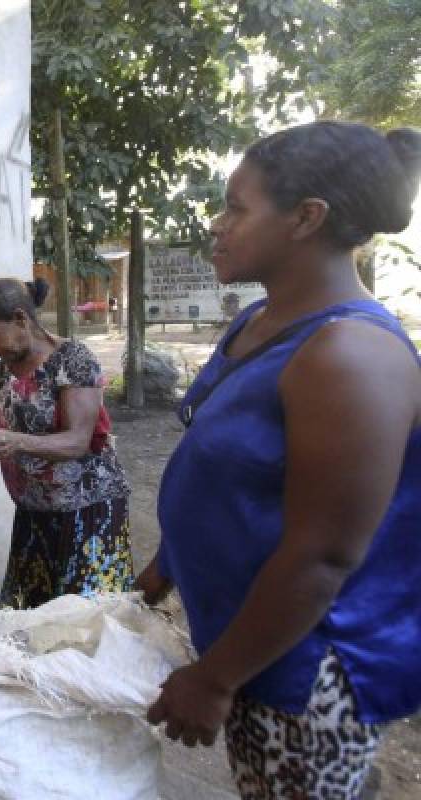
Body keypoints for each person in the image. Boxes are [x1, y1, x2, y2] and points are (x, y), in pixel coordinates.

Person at [139, 121, 421, 798]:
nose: (217, 223)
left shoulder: (350, 356)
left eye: (237, 207)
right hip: (250, 645)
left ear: (306, 218)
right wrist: (155, 579)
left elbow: (323, 556)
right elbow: (220, 474)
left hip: (308, 668)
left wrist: (212, 680)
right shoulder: (259, 325)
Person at [0, 277, 133, 609]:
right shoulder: (6, 369)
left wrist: (16, 441)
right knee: (33, 614)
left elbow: (77, 441)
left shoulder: (73, 360)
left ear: (20, 319)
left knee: (83, 619)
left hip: (87, 510)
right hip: (35, 511)